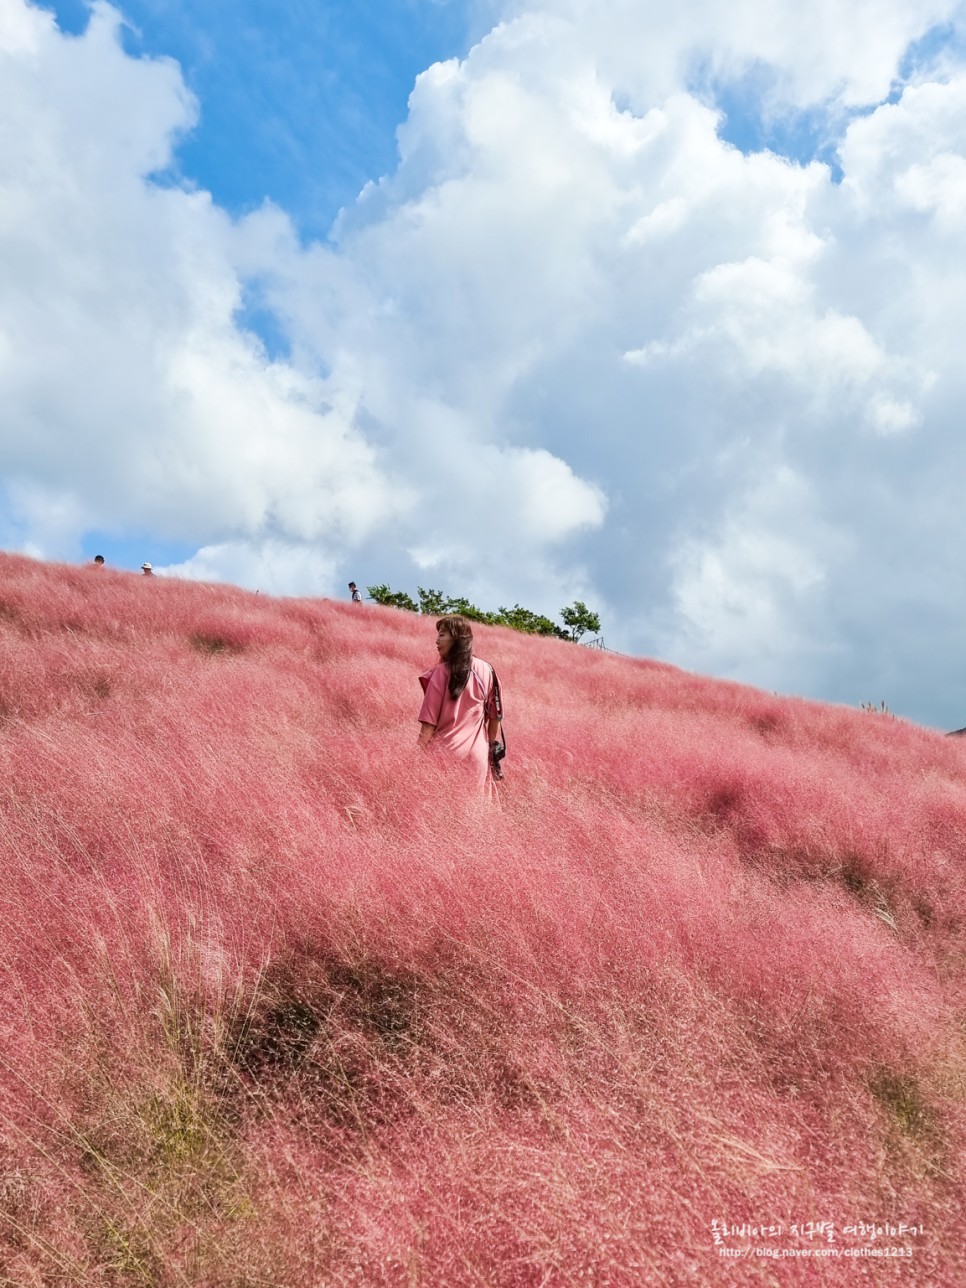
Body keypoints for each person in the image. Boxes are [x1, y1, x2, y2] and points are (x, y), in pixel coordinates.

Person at [417, 615, 504, 792]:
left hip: (442, 754)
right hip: (476, 758)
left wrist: (416, 757)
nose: (436, 641)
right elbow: (496, 717)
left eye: (442, 635)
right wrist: (489, 747)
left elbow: (428, 724)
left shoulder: (440, 672)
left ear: (456, 638)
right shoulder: (488, 670)